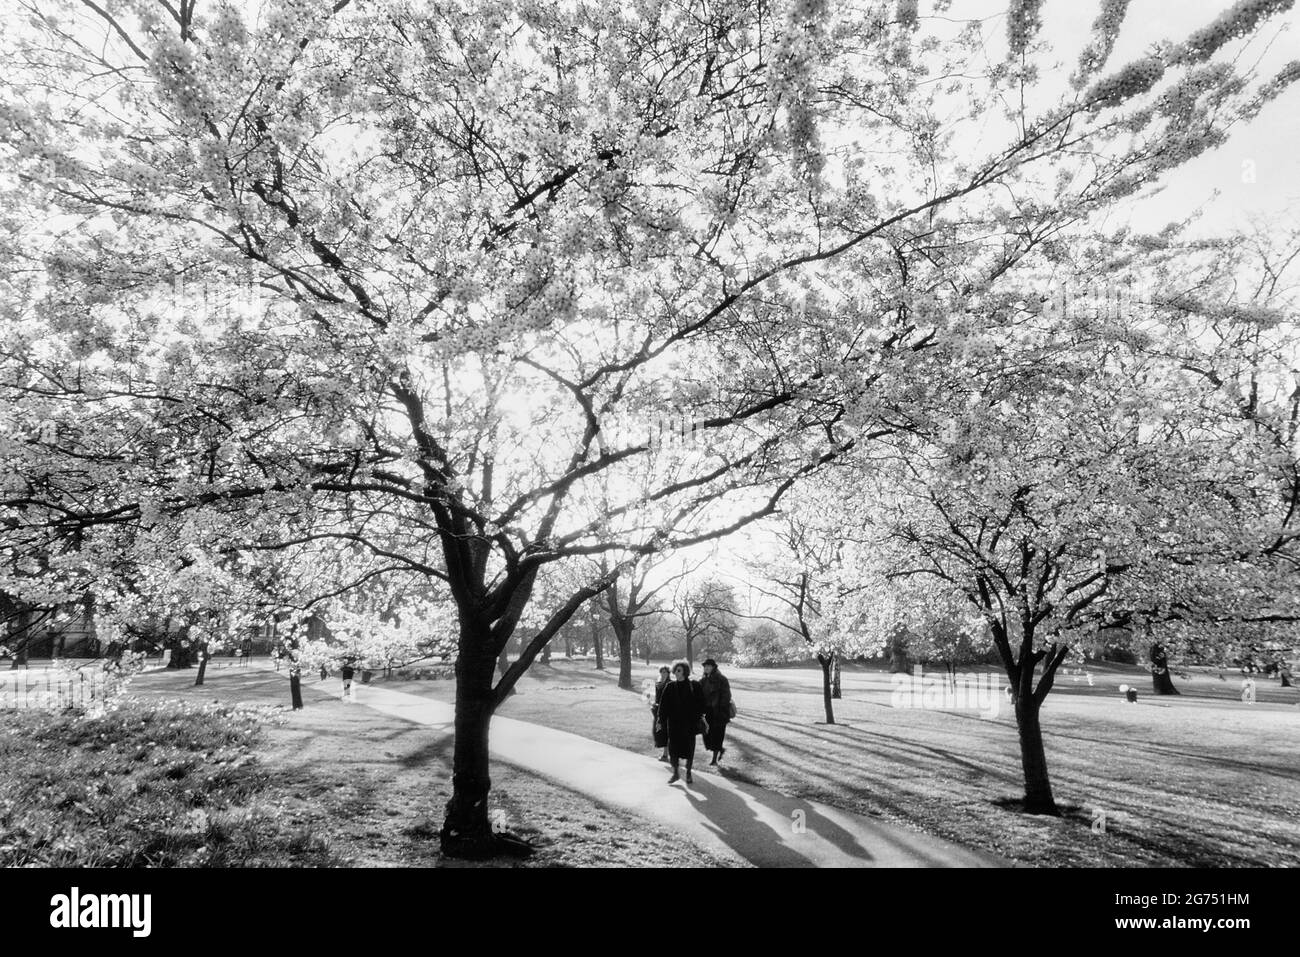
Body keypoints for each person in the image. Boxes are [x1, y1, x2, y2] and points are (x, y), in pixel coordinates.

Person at [655, 660, 706, 785]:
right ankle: (676, 773)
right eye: (675, 670)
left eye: (679, 670)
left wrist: (697, 715)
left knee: (689, 749)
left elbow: (702, 703)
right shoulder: (670, 687)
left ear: (685, 671)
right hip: (674, 724)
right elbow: (663, 706)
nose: (676, 672)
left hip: (689, 724)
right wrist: (660, 720)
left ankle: (688, 772)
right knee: (673, 749)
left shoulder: (694, 685)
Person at [699, 658, 732, 766]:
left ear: (713, 667)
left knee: (717, 735)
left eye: (709, 666)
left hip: (718, 712)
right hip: (707, 712)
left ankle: (714, 760)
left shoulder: (722, 679)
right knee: (707, 735)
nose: (707, 667)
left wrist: (720, 708)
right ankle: (720, 749)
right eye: (705, 666)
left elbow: (726, 696)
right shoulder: (703, 680)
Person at [651, 666, 671, 761]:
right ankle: (665, 754)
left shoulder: (671, 684)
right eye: (662, 672)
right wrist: (654, 704)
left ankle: (665, 755)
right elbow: (657, 698)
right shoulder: (658, 684)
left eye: (665, 672)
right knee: (657, 731)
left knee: (665, 732)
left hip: (667, 711)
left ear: (668, 673)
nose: (663, 674)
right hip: (657, 710)